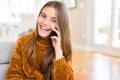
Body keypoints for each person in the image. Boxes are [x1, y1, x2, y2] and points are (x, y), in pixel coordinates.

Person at [5, 0, 74, 80]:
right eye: (43, 16)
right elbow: (12, 75)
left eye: (53, 20)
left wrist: (58, 52)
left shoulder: (63, 46)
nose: (45, 22)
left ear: (61, 25)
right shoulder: (23, 41)